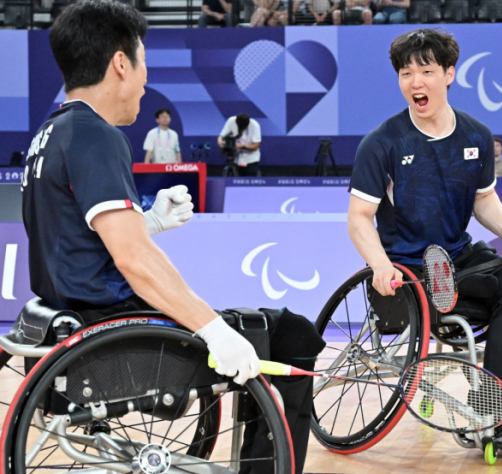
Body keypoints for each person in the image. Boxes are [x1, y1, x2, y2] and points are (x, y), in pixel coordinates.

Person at [21, 2, 321, 473]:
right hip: (116, 333)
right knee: (292, 334)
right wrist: (212, 328)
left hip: (75, 315)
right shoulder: (95, 135)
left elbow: (71, 235)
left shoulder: (51, 131)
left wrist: (150, 221)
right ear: (121, 63)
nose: (144, 79)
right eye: (144, 63)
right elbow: (135, 261)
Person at [347, 28, 502, 445]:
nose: (415, 82)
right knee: (443, 291)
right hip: (407, 267)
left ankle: (496, 410)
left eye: (426, 70)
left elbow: (484, 199)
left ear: (449, 74)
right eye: (405, 73)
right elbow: (359, 218)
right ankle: (442, 294)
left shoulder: (475, 136)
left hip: (458, 256)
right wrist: (380, 265)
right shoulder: (382, 143)